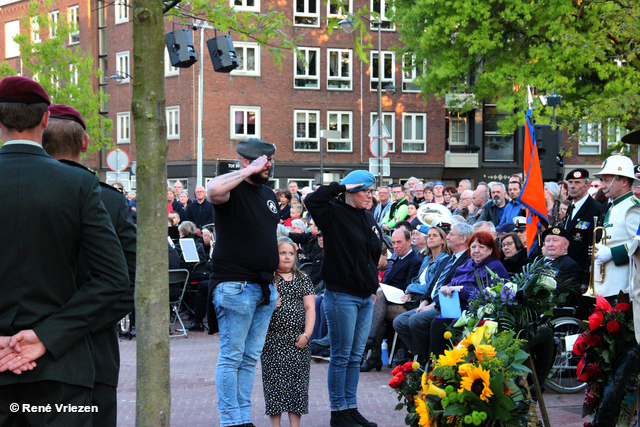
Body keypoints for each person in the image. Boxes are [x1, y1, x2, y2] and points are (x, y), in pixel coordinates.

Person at [0, 77, 129, 426]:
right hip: (60, 369)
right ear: (44, 120)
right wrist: (46, 336)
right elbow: (115, 279)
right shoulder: (78, 184)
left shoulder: (78, 184)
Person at [42, 104, 137, 427]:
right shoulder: (110, 200)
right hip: (94, 348)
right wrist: (82, 325)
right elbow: (128, 282)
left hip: (28, 344)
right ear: (84, 145)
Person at [206, 137, 279, 427]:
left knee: (249, 359)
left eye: (270, 160)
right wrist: (247, 172)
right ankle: (230, 420)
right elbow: (213, 190)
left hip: (263, 287)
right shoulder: (231, 190)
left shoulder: (269, 195)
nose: (269, 165)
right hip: (235, 286)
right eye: (264, 161)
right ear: (246, 162)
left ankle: (243, 418)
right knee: (232, 357)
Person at [305, 170, 381, 427]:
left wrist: (373, 288)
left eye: (371, 191)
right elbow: (312, 201)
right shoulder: (333, 212)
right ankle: (338, 412)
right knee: (341, 355)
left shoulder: (368, 216)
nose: (370, 196)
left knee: (355, 356)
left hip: (364, 297)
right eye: (365, 191)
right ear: (350, 192)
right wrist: (341, 186)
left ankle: (351, 407)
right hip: (342, 295)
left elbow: (372, 256)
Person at [392, 223, 473, 364]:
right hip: (432, 302)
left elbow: (452, 288)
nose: (448, 237)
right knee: (400, 322)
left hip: (447, 306)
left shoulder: (467, 260)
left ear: (463, 239)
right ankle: (422, 356)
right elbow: (433, 286)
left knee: (415, 320)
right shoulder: (449, 259)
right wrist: (424, 301)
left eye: (451, 234)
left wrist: (432, 305)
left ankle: (427, 361)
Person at [261, 237, 315, 427]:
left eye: (291, 253)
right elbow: (257, 310)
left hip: (297, 340)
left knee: (296, 387)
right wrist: (269, 304)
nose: (287, 257)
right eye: (282, 253)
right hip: (273, 341)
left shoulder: (303, 279)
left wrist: (307, 335)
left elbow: (310, 308)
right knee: (274, 386)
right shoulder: (268, 279)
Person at [428, 231, 509, 357]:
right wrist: (447, 287)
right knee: (437, 323)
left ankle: (452, 367)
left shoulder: (495, 267)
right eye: (473, 247)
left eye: (481, 247)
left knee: (451, 327)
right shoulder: (468, 264)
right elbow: (454, 282)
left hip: (477, 312)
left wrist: (462, 290)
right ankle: (434, 366)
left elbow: (493, 295)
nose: (476, 251)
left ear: (490, 250)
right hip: (455, 308)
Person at [360, 229, 421, 372]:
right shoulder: (396, 259)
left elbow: (409, 285)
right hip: (389, 302)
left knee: (378, 300)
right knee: (378, 306)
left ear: (408, 241)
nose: (395, 246)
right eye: (393, 243)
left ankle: (371, 347)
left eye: (399, 242)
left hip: (406, 302)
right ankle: (373, 354)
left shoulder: (415, 260)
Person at [592, 155, 640, 299]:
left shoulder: (633, 207)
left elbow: (638, 244)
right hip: (607, 286)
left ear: (624, 181)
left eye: (607, 180)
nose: (603, 185)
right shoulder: (614, 205)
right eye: (602, 180)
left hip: (622, 288)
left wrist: (613, 253)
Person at [562, 169, 603, 314]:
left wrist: (587, 278)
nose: (572, 186)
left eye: (577, 182)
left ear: (588, 185)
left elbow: (593, 245)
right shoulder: (571, 208)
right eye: (570, 182)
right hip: (568, 272)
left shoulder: (595, 209)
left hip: (582, 273)